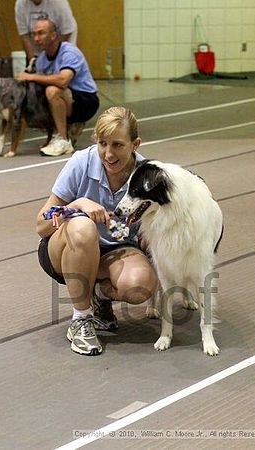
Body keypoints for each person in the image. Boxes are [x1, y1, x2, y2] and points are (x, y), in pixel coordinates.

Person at [36, 106, 157, 356]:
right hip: (66, 248)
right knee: (83, 227)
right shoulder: (82, 162)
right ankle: (81, 319)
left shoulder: (147, 174)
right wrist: (77, 205)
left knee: (141, 285)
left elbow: (150, 234)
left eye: (117, 145)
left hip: (116, 250)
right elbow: (41, 224)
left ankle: (99, 294)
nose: (108, 154)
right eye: (103, 144)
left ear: (135, 144)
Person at [16, 18, 99, 156]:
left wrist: (31, 76)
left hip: (86, 100)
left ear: (53, 35)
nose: (36, 38)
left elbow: (63, 80)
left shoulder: (69, 52)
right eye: (34, 34)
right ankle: (65, 129)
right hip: (67, 98)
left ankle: (63, 139)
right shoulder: (42, 59)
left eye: (41, 33)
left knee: (52, 90)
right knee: (39, 95)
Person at [15, 0, 78, 65]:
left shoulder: (59, 3)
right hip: (37, 52)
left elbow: (66, 32)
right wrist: (33, 63)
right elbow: (25, 36)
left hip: (60, 47)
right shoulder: (20, 4)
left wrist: (52, 60)